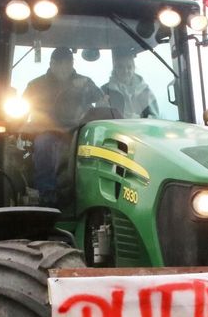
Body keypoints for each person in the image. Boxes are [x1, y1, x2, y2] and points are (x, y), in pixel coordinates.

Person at [23, 47, 107, 205]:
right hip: (48, 131)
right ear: (51, 64)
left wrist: (93, 93)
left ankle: (95, 194)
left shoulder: (84, 82)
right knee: (43, 144)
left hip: (79, 132)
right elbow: (21, 113)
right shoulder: (36, 85)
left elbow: (103, 102)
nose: (64, 67)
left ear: (72, 63)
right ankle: (48, 194)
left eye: (68, 63)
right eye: (60, 63)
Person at [103, 49, 159, 118]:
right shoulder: (105, 90)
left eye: (129, 67)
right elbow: (99, 118)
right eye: (121, 67)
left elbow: (155, 119)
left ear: (134, 68)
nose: (125, 71)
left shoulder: (145, 91)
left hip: (140, 128)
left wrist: (137, 120)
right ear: (115, 69)